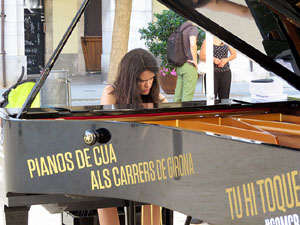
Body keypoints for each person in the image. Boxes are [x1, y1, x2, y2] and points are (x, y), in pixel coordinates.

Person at [99, 48, 167, 225]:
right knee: (101, 184)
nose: (148, 85)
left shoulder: (155, 95)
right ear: (130, 79)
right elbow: (107, 135)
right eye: (142, 81)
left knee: (155, 177)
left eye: (151, 79)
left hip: (146, 159)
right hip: (117, 159)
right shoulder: (111, 94)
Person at [173, 21, 199, 102]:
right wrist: (195, 60)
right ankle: (185, 114)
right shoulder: (192, 28)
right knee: (187, 97)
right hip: (189, 65)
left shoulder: (181, 28)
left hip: (180, 65)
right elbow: (192, 44)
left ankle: (175, 113)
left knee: (177, 97)